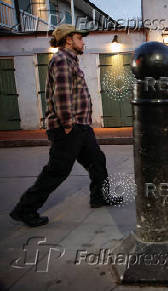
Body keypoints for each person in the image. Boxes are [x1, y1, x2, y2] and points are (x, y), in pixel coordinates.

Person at [10, 24, 121, 227]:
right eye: (80, 38)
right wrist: (69, 125)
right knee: (57, 170)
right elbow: (62, 96)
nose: (83, 42)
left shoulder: (70, 61)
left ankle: (99, 197)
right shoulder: (61, 60)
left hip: (80, 126)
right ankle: (24, 209)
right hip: (68, 127)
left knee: (97, 161)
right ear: (68, 40)